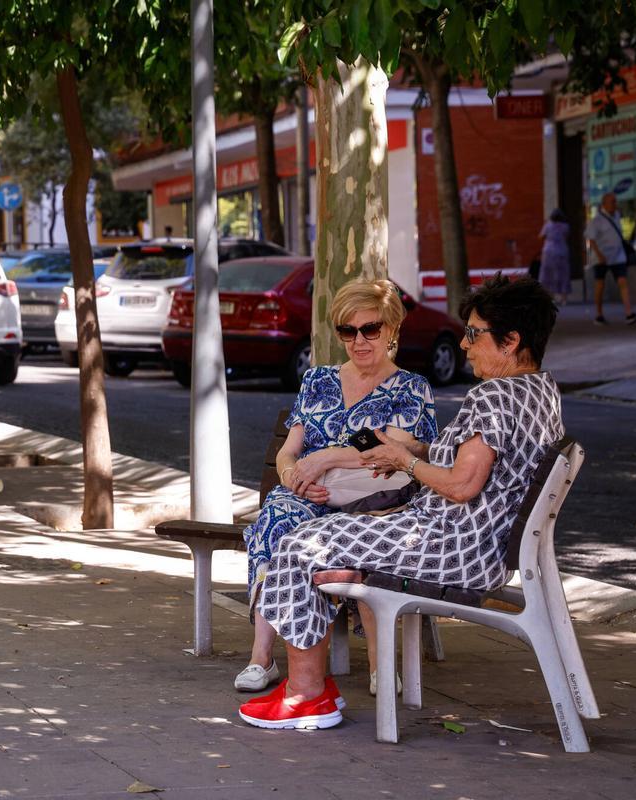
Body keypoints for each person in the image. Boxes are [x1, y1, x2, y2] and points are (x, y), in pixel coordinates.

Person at [239, 276, 563, 730]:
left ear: (510, 341)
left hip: (451, 547)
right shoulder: (539, 391)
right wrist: (417, 452)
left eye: (474, 333)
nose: (465, 346)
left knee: (298, 546)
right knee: (302, 533)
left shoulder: (493, 396)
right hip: (468, 540)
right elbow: (470, 464)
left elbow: (462, 485)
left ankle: (305, 695)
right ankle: (305, 687)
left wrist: (403, 462)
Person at [234, 280, 438, 695]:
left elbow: (393, 449)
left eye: (371, 329)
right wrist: (295, 480)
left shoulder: (410, 388)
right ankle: (262, 657)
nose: (359, 340)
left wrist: (325, 458)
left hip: (375, 501)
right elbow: (290, 452)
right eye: (348, 331)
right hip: (313, 496)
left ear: (392, 329)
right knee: (280, 515)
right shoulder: (318, 380)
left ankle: (382, 664)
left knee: (358, 532)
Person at [584, 192, 636, 325]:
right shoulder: (597, 220)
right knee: (600, 284)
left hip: (618, 256)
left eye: (615, 201)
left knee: (622, 282)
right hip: (601, 258)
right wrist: (599, 255)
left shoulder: (617, 216)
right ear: (604, 204)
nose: (615, 204)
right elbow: (590, 239)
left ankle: (629, 313)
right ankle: (599, 315)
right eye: (613, 202)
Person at [538, 208, 571, 304]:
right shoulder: (566, 226)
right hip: (562, 251)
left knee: (548, 274)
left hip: (549, 252)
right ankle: (563, 298)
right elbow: (566, 236)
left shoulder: (548, 226)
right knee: (563, 274)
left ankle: (550, 297)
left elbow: (541, 236)